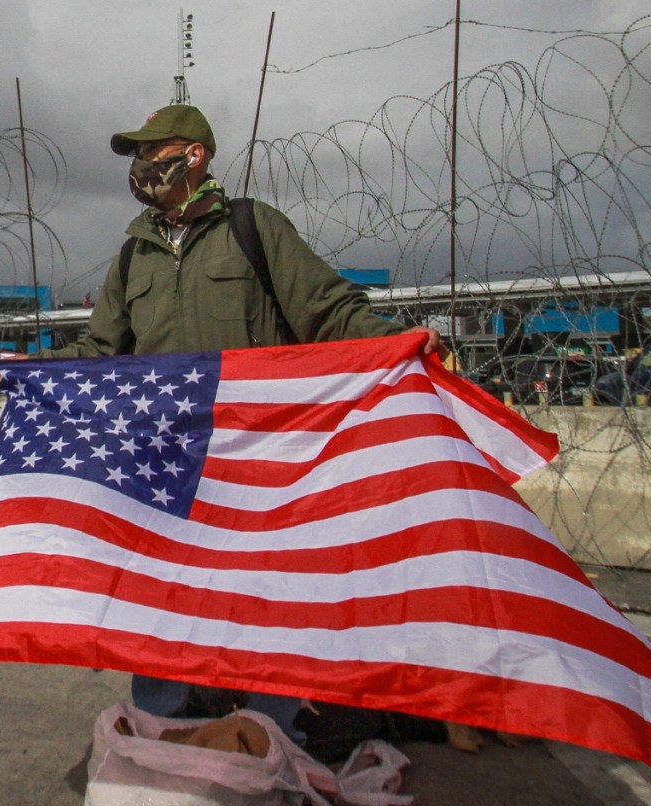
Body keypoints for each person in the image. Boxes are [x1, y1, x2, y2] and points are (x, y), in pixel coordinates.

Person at [33, 104, 446, 742]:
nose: (141, 167)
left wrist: (397, 342)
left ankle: (270, 732)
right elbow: (100, 351)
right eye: (136, 157)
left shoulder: (254, 228)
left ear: (192, 156)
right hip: (165, 462)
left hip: (254, 459)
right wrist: (36, 372)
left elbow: (326, 310)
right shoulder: (132, 255)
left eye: (151, 152)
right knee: (162, 599)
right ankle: (160, 729)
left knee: (264, 598)